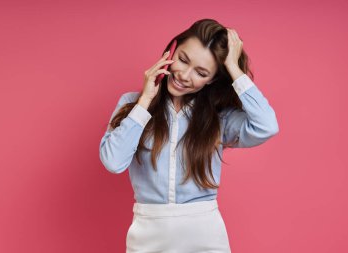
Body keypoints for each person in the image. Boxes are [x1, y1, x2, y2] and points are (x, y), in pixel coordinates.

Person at [99, 18, 279, 253]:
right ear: (172, 51)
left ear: (212, 79)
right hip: (147, 233)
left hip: (205, 235)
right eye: (183, 60)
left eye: (201, 72)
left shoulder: (219, 117)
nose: (184, 75)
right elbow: (113, 162)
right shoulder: (132, 104)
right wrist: (144, 101)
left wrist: (234, 68)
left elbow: (267, 126)